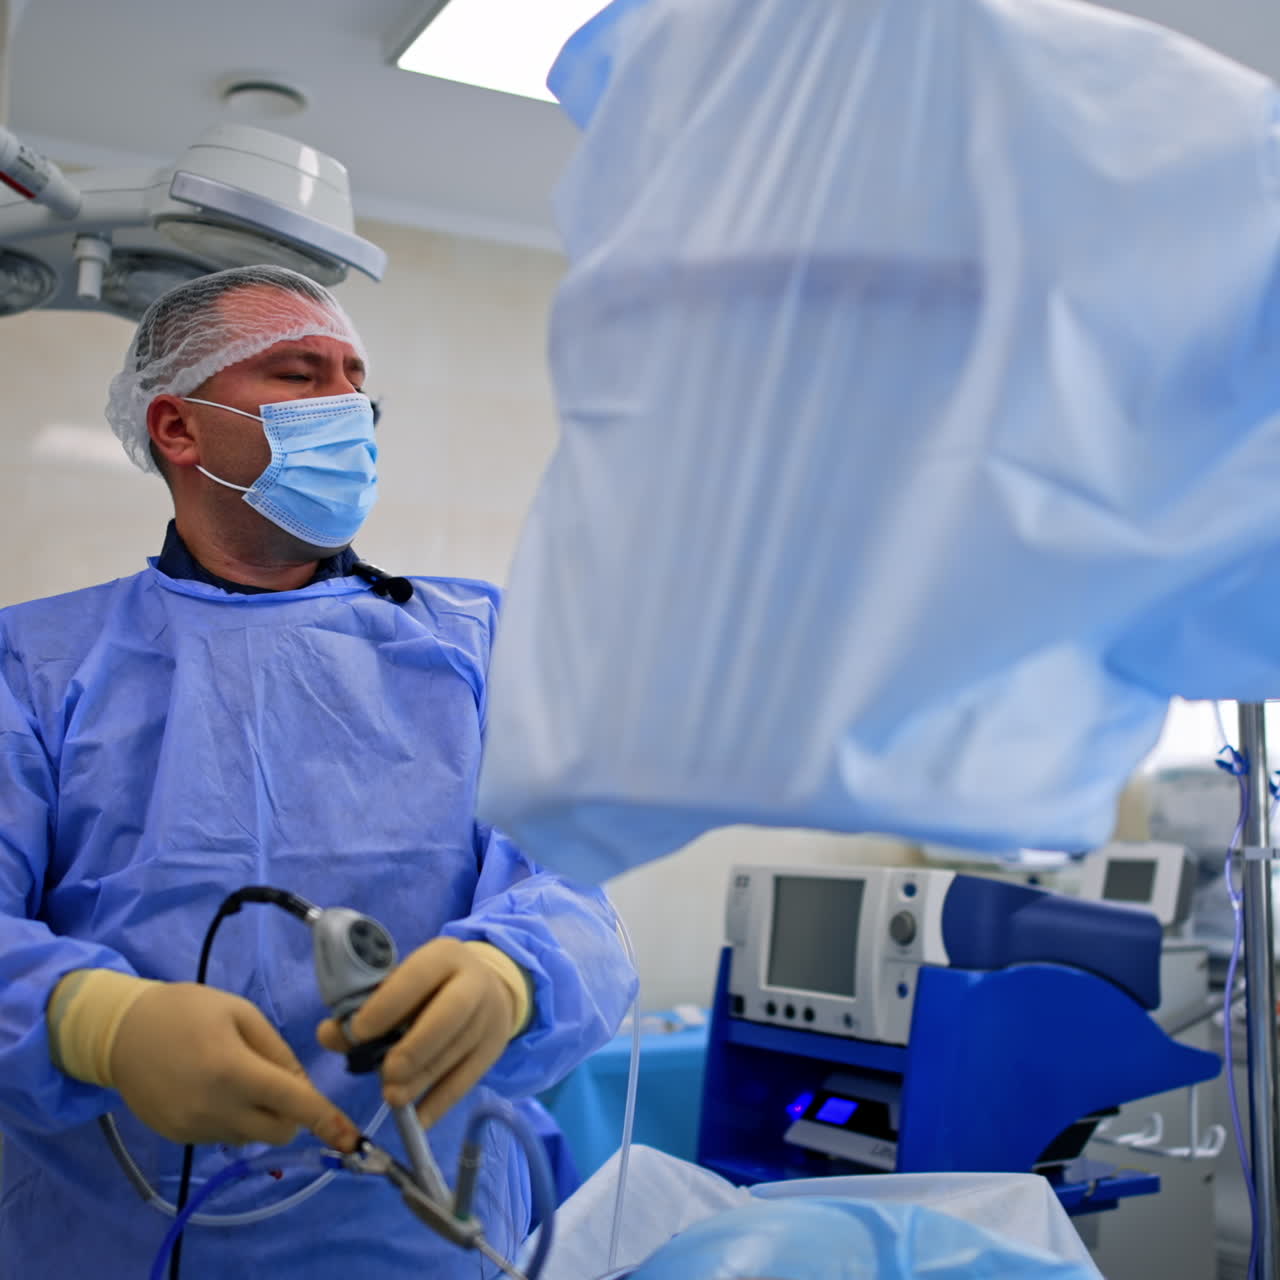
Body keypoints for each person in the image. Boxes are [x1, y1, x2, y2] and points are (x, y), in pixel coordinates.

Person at [0, 265, 637, 1277]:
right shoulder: (35, 666)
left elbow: (571, 891)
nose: (343, 407)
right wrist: (93, 1022)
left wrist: (514, 971)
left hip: (414, 1236)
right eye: (299, 375)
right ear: (178, 427)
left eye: (356, 383)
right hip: (108, 1228)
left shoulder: (476, 644)